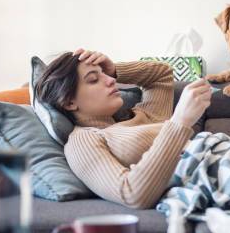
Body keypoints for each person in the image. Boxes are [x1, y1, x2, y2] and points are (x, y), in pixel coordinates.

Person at [35, 49, 211, 209]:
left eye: (106, 75)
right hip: (213, 172)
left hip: (225, 152)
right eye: (94, 79)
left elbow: (161, 73)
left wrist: (114, 69)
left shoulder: (145, 115)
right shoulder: (83, 140)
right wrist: (179, 123)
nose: (111, 81)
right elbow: (132, 195)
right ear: (69, 102)